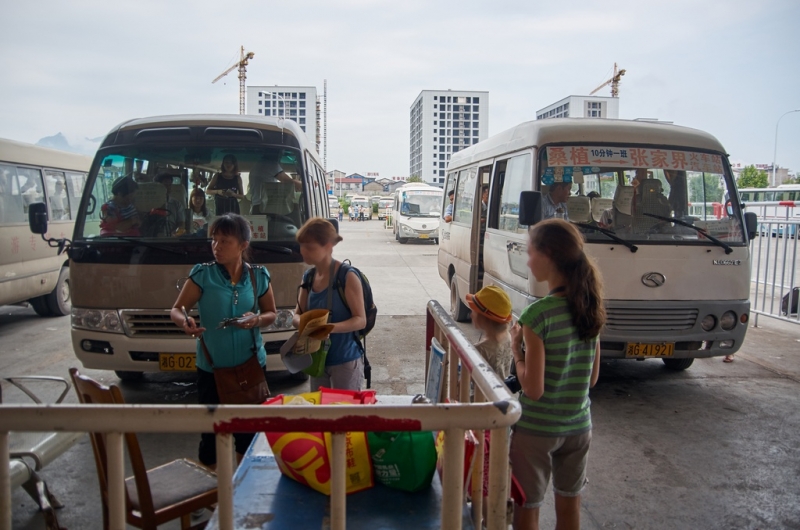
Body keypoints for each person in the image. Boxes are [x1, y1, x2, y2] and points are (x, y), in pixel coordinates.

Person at [509, 218, 605, 530]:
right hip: (578, 426)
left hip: (537, 429)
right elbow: (591, 380)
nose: (527, 259)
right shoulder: (589, 306)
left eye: (530, 252)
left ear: (547, 255)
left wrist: (516, 351)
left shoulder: (537, 315)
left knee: (529, 507)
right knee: (569, 507)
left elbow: (533, 390)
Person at [170, 214, 277, 468]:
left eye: (225, 241)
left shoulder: (258, 276)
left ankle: (242, 493)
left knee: (247, 434)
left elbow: (271, 313)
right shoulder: (202, 274)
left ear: (243, 245)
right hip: (212, 369)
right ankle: (207, 496)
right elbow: (176, 309)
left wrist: (257, 320)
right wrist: (184, 322)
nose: (216, 247)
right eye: (214, 240)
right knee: (210, 434)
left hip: (250, 367)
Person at [293, 217, 366, 391]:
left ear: (328, 246)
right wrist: (307, 326)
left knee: (345, 414)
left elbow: (360, 320)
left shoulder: (347, 276)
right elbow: (296, 315)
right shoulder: (308, 277)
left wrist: (327, 328)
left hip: (345, 360)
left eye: (309, 247)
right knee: (322, 414)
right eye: (301, 245)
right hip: (316, 359)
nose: (303, 251)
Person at [466, 285, 513, 380]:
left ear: (484, 318)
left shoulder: (480, 350)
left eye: (474, 311)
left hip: (481, 395)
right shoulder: (508, 337)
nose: (471, 315)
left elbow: (464, 381)